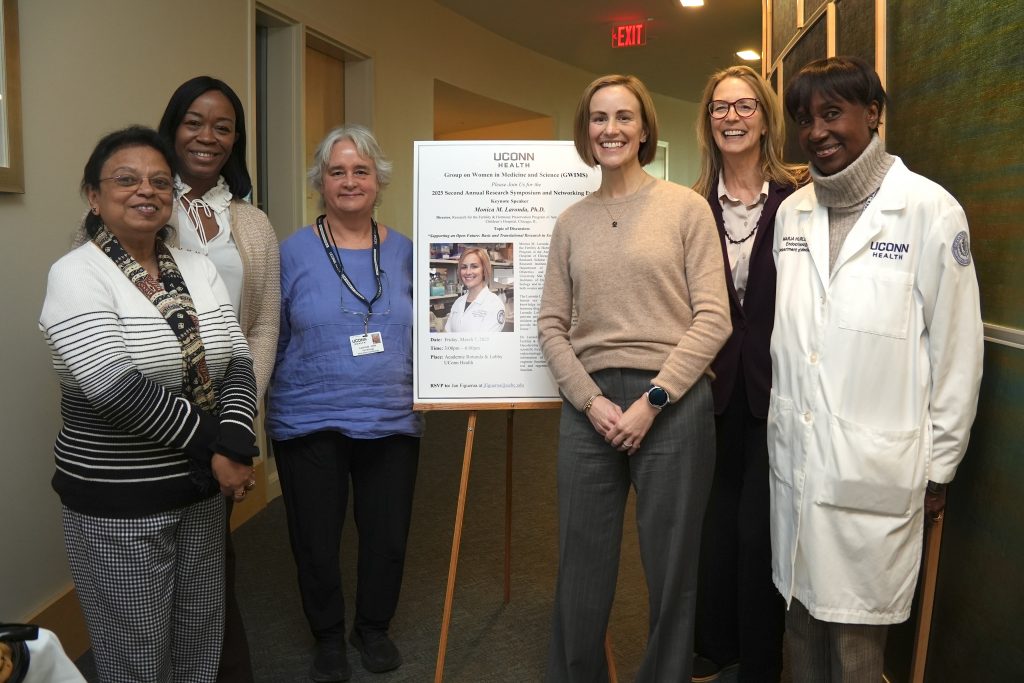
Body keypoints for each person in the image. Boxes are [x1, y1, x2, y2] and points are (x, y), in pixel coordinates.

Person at [770, 56, 983, 681]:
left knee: (857, 652)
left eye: (833, 113)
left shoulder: (929, 212)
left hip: (877, 473)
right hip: (799, 462)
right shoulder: (792, 215)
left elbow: (957, 353)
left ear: (873, 114)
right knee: (800, 633)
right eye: (805, 119)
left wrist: (939, 465)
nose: (817, 132)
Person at [39, 126, 258, 682]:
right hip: (120, 501)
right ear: (94, 195)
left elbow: (235, 362)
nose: (146, 191)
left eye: (161, 181)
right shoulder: (76, 274)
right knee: (134, 657)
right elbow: (115, 388)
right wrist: (223, 448)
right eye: (126, 179)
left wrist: (233, 443)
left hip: (200, 491)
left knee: (200, 640)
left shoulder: (198, 267)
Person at [538, 74, 731, 682]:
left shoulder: (686, 208)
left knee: (672, 572)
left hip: (672, 403)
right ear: (586, 131)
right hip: (589, 409)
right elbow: (549, 324)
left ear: (644, 127)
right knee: (581, 569)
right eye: (599, 118)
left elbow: (714, 317)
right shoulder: (571, 222)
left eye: (624, 117)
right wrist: (591, 401)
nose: (611, 130)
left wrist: (653, 399)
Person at [267, 125, 421, 682]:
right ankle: (328, 636)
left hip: (392, 417)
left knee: (387, 538)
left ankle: (373, 629)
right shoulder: (291, 253)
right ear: (320, 183)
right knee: (316, 540)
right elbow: (270, 335)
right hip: (309, 418)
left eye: (361, 170)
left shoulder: (407, 252)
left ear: (379, 180)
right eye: (337, 171)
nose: (350, 181)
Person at [158, 75, 280, 683]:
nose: (208, 137)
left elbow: (263, 326)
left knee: (211, 558)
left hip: (224, 411)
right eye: (194, 122)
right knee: (150, 563)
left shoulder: (252, 223)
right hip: (149, 412)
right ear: (172, 126)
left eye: (223, 126)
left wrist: (237, 418)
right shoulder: (145, 196)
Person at [690, 66, 806, 683]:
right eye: (718, 108)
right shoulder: (688, 205)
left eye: (743, 106)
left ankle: (761, 658)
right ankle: (714, 646)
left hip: (778, 385)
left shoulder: (800, 198)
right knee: (713, 518)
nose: (731, 118)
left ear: (764, 117)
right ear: (708, 122)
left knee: (762, 523)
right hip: (707, 389)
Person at [444, 246, 505, 333]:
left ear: (484, 270)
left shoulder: (494, 304)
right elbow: (448, 333)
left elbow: (483, 343)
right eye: (464, 267)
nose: (468, 272)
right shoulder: (458, 302)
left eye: (474, 266)